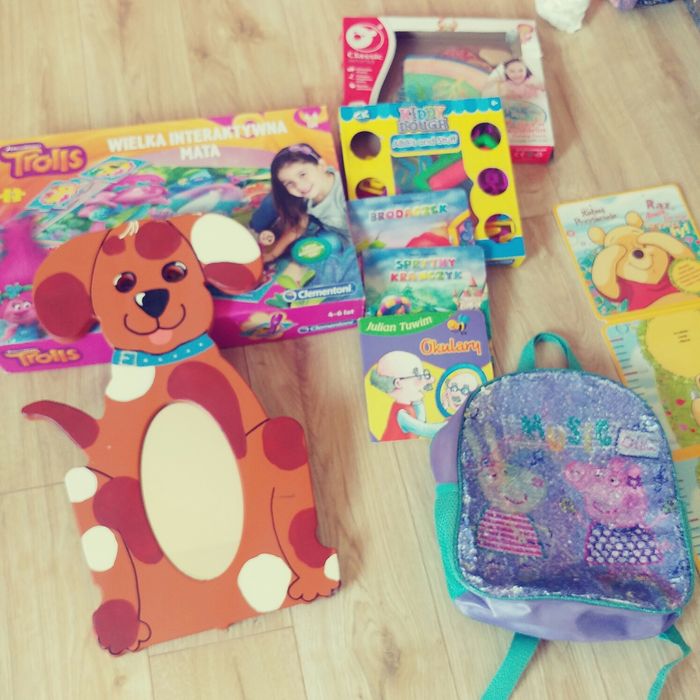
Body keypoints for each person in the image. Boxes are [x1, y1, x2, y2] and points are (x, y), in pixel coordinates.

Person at [251, 144, 349, 263]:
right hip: (325, 226)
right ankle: (256, 229)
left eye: (302, 174)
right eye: (289, 183)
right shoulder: (304, 194)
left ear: (322, 166)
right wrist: (273, 254)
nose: (300, 186)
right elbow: (298, 227)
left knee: (322, 245)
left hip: (344, 238)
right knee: (272, 200)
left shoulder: (345, 194)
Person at [370, 351, 446, 441]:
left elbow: (421, 422)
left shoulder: (409, 407)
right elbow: (424, 430)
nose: (425, 381)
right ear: (398, 383)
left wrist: (418, 402)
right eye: (418, 376)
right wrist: (449, 425)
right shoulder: (401, 414)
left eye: (424, 374)